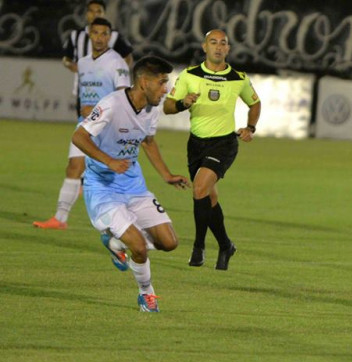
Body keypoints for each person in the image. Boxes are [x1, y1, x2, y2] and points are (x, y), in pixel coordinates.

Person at [72, 56, 190, 312]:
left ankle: (117, 242)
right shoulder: (112, 105)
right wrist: (108, 161)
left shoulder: (152, 108)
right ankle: (146, 294)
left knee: (169, 243)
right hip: (103, 188)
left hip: (134, 186)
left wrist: (167, 175)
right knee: (139, 246)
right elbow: (79, 136)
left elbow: (148, 141)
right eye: (161, 83)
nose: (166, 89)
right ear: (144, 82)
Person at [163, 29, 261, 270]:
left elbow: (255, 103)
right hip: (196, 143)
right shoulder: (189, 75)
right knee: (209, 197)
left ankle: (199, 248)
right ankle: (226, 245)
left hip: (224, 143)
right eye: (213, 42)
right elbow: (166, 107)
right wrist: (183, 103)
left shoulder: (238, 78)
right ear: (204, 47)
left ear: (228, 49)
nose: (218, 47)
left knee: (198, 189)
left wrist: (250, 127)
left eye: (223, 43)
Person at [34, 17, 130, 230]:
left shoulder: (117, 62)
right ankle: (60, 219)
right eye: (95, 33)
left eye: (104, 34)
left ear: (109, 37)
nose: (99, 37)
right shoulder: (84, 63)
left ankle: (125, 223)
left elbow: (124, 97)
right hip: (85, 124)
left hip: (107, 127)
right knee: (73, 167)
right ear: (89, 34)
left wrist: (98, 108)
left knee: (110, 177)